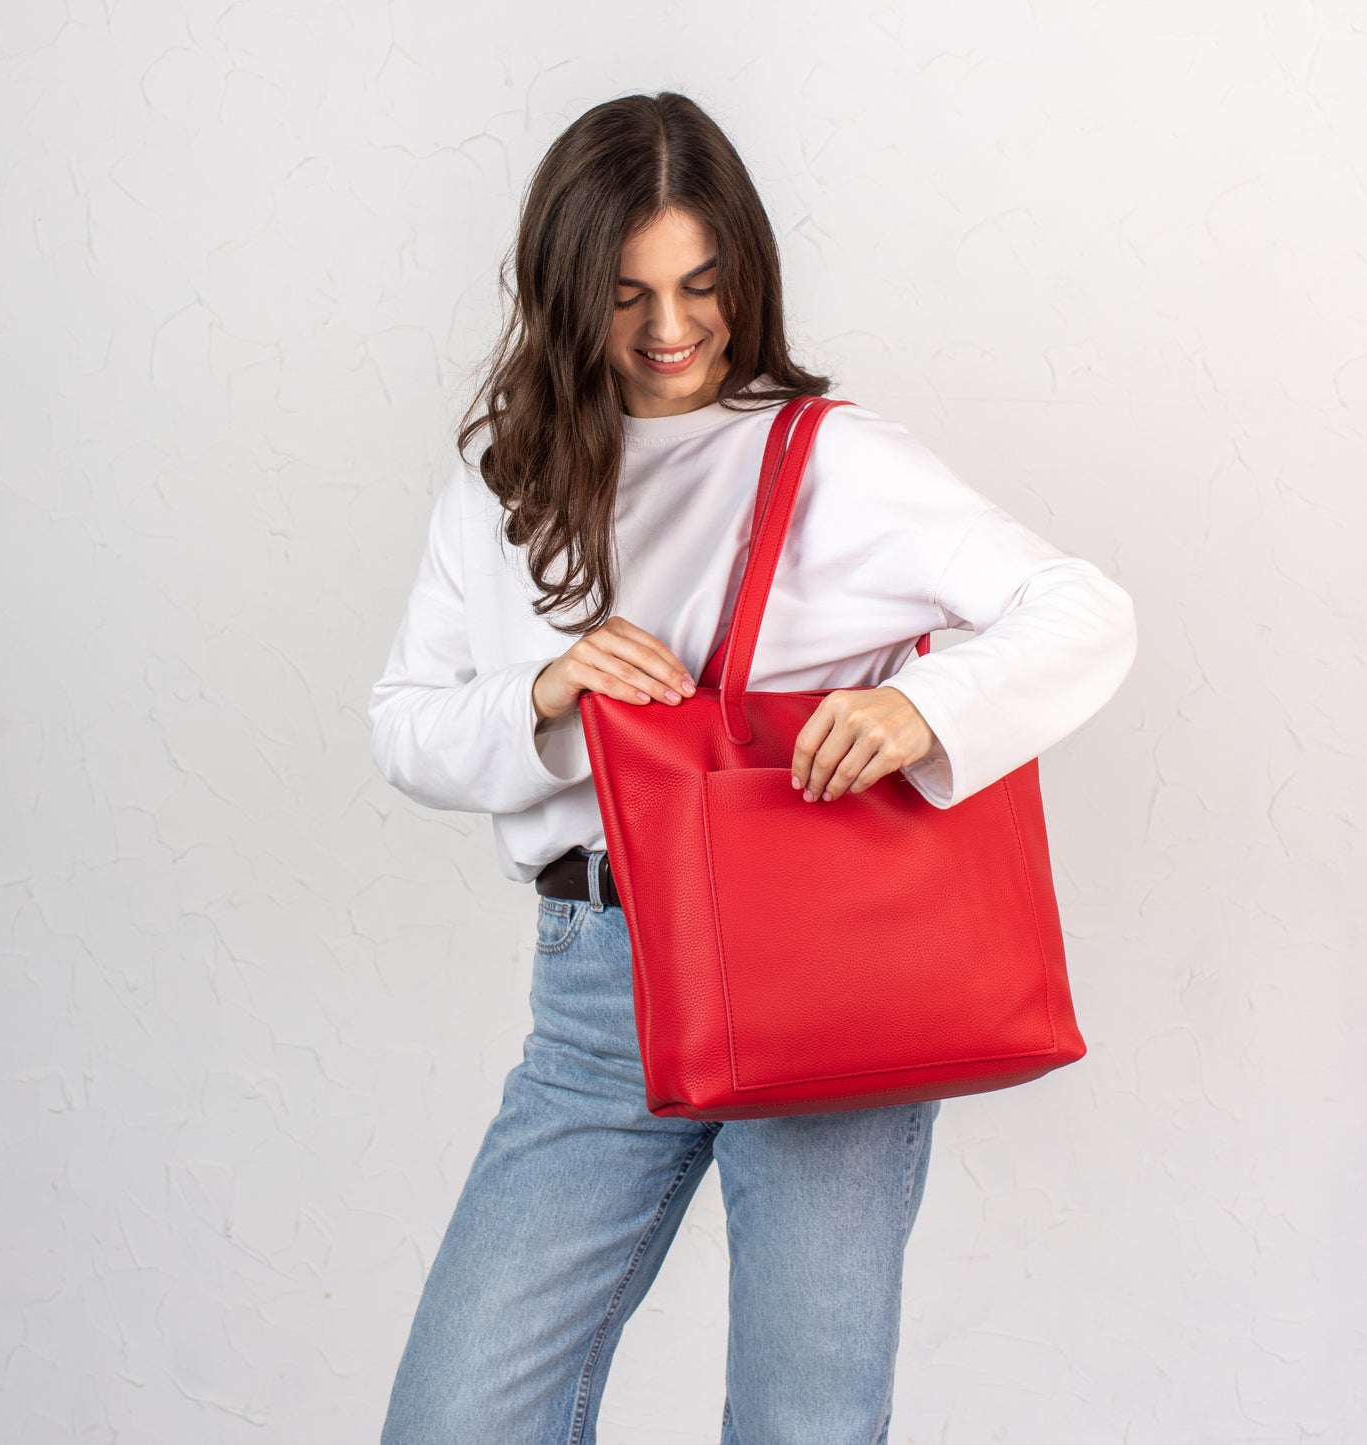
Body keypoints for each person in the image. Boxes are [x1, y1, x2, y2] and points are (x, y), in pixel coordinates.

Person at [368, 91, 1137, 1445]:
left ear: (745, 275)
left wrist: (923, 709)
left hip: (825, 979)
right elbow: (405, 726)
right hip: (596, 984)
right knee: (457, 1415)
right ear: (561, 292)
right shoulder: (504, 483)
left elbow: (1084, 611)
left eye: (702, 286)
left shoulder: (835, 458)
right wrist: (546, 692)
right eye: (625, 295)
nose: (670, 330)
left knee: (803, 1420)